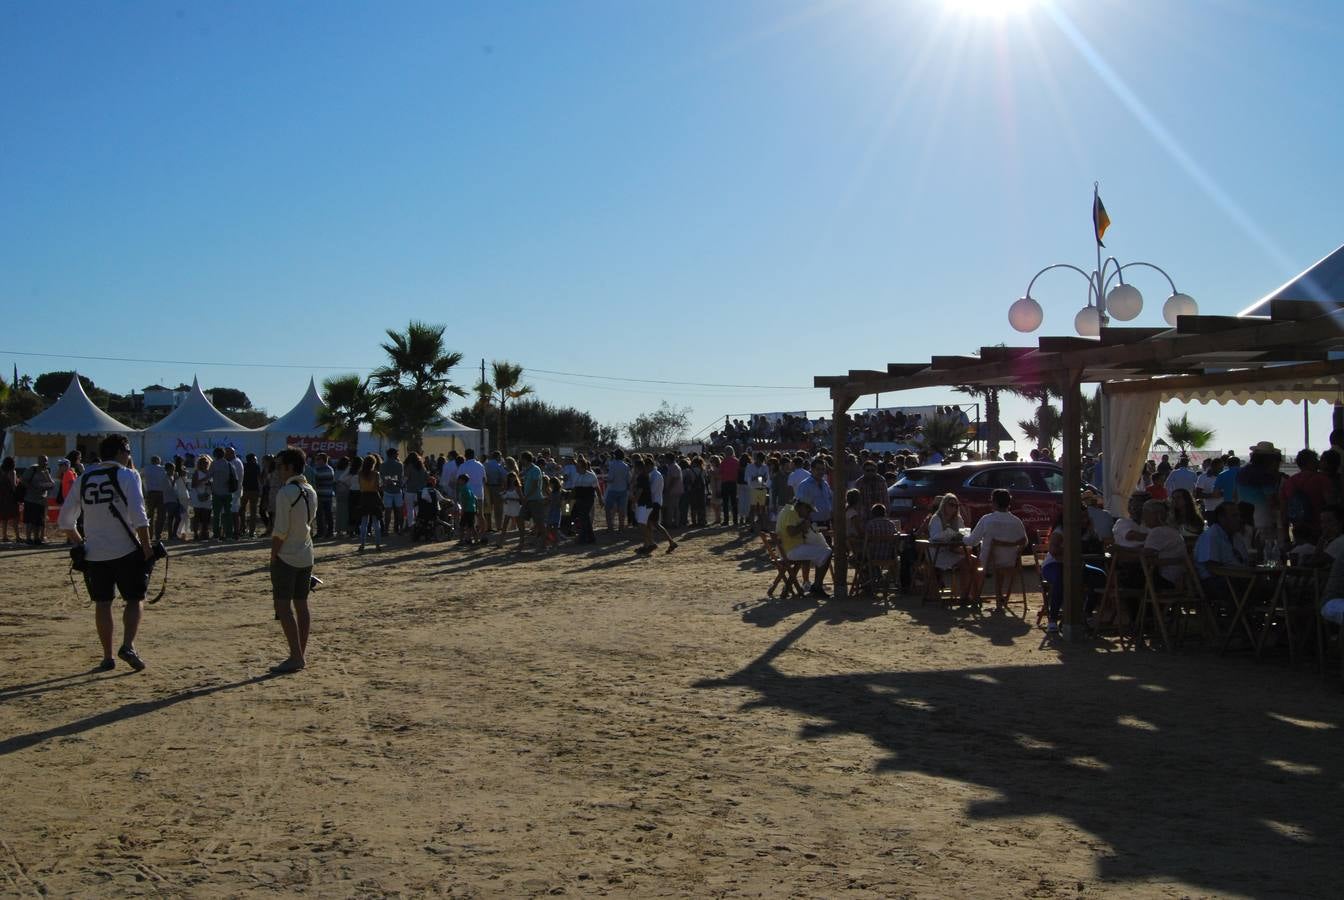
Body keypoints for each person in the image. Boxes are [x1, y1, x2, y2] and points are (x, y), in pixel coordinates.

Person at [57, 434, 155, 671]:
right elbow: (139, 516)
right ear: (122, 452)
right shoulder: (128, 475)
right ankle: (128, 645)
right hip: (126, 550)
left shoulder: (85, 477)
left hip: (94, 552)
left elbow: (65, 521)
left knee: (103, 603)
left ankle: (107, 656)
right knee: (134, 599)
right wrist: (147, 548)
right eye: (129, 451)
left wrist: (80, 543)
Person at [268, 447, 318, 674]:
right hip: (306, 552)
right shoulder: (310, 490)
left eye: (280, 466)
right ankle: (300, 653)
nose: (278, 471)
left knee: (282, 605)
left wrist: (273, 555)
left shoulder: (285, 492)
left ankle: (296, 656)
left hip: (287, 555)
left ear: (289, 467)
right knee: (301, 604)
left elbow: (280, 530)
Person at [963, 488, 1028, 607]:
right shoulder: (1017, 521)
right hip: (1010, 562)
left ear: (994, 503)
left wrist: (961, 537)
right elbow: (1025, 541)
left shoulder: (987, 519)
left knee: (969, 560)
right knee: (999, 563)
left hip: (988, 562)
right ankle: (999, 596)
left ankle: (973, 596)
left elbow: (972, 541)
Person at [1193, 502, 1249, 615]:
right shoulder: (1211, 536)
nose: (1239, 519)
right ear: (1222, 518)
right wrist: (1239, 574)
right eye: (1234, 516)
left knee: (1275, 585)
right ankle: (1239, 623)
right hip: (1214, 581)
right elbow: (1212, 567)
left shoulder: (1236, 536)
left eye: (1238, 515)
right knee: (1244, 587)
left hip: (1237, 577)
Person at [776, 496, 832, 600]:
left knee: (822, 551)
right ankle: (817, 586)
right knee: (827, 552)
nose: (809, 513)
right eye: (808, 510)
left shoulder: (789, 510)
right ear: (802, 506)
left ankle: (815, 585)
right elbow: (791, 532)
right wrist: (803, 526)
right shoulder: (791, 512)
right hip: (791, 550)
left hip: (788, 548)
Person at [927, 493, 975, 600]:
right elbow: (935, 537)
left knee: (975, 561)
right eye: (951, 505)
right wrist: (950, 533)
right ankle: (965, 596)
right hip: (939, 552)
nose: (954, 508)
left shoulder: (958, 519)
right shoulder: (936, 518)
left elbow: (963, 534)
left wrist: (962, 537)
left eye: (956, 505)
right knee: (966, 563)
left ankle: (972, 594)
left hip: (954, 550)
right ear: (944, 505)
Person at [1280, 448, 1332, 546]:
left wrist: (1286, 536)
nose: (1318, 461)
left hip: (1298, 529)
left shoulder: (1289, 482)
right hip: (1319, 529)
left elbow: (1284, 511)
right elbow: (1331, 505)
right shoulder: (1322, 480)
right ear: (1311, 462)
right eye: (1316, 459)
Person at [1237, 441, 1283, 536]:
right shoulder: (1266, 476)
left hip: (1243, 520)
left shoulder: (1242, 472)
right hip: (1263, 521)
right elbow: (1272, 500)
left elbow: (1235, 495)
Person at [633, 455, 677, 555]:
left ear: (649, 466)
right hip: (653, 502)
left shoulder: (656, 475)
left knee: (654, 524)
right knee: (649, 524)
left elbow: (652, 491)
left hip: (655, 502)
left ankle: (666, 542)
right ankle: (649, 544)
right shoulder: (653, 474)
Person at [1141, 499, 1187, 588]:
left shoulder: (1158, 531)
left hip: (1167, 579)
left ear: (1156, 515)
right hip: (1180, 576)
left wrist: (1121, 549)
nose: (1143, 517)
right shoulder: (1172, 530)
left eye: (1146, 513)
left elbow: (1145, 554)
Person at [21, 456, 55, 545]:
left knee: (39, 521)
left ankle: (37, 539)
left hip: (41, 500)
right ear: (39, 461)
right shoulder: (32, 470)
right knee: (30, 521)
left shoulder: (46, 471)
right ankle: (28, 539)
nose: (45, 463)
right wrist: (32, 488)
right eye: (43, 461)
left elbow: (52, 485)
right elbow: (23, 481)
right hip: (30, 499)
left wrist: (47, 475)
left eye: (46, 461)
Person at [520, 451, 547, 551]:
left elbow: (535, 486)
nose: (521, 461)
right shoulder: (527, 469)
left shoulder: (535, 469)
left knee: (539, 522)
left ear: (525, 459)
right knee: (520, 518)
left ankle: (543, 544)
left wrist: (526, 497)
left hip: (535, 499)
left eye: (522, 459)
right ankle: (522, 542)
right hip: (528, 499)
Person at [571, 455, 601, 544]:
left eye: (577, 466)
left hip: (588, 499)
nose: (576, 468)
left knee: (584, 517)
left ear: (583, 467)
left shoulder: (591, 476)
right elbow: (574, 489)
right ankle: (591, 538)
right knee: (584, 517)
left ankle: (583, 538)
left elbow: (597, 488)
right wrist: (570, 499)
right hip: (579, 498)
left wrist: (600, 499)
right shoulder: (576, 475)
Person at [358, 453, 384, 551]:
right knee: (376, 522)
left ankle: (362, 544)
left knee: (364, 523)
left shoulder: (360, 473)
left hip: (364, 497)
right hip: (374, 497)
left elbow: (360, 487)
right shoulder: (376, 474)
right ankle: (377, 544)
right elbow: (378, 487)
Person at [209, 447, 236, 540]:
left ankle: (216, 534)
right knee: (228, 515)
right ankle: (228, 534)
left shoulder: (214, 464)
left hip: (217, 492)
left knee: (216, 515)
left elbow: (209, 476)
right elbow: (235, 477)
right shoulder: (229, 464)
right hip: (227, 492)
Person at [142, 455, 169, 540]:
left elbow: (140, 477)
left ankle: (149, 534)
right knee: (161, 515)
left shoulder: (146, 468)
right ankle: (158, 534)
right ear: (159, 461)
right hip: (161, 493)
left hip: (150, 493)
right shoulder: (163, 469)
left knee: (150, 514)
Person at [310, 452, 336, 539]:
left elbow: (316, 481)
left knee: (321, 514)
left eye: (318, 459)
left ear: (323, 460)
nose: (316, 461)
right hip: (328, 494)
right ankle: (329, 532)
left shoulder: (318, 470)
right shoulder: (330, 469)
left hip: (321, 494)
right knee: (327, 514)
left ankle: (322, 532)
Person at [497, 471, 525, 550]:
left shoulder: (517, 487)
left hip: (516, 507)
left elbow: (522, 499)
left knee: (520, 526)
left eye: (513, 477)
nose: (511, 479)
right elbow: (502, 495)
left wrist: (510, 498)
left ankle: (521, 542)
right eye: (510, 477)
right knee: (504, 525)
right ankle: (500, 542)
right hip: (508, 507)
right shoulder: (507, 487)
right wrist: (503, 498)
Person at [381, 448, 405, 536]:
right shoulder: (399, 465)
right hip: (397, 490)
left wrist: (389, 480)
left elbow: (383, 477)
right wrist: (394, 481)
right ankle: (401, 529)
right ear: (394, 454)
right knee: (399, 511)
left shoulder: (383, 465)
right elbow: (400, 477)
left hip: (387, 490)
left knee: (387, 511)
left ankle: (386, 530)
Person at [190, 456, 214, 540]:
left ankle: (204, 533)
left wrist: (210, 485)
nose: (205, 464)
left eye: (207, 463)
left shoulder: (210, 473)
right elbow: (193, 484)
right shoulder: (197, 472)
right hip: (198, 496)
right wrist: (204, 480)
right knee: (197, 515)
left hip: (207, 496)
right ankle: (196, 533)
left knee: (206, 516)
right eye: (203, 463)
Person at [241, 451, 263, 537]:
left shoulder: (244, 466)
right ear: (253, 459)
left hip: (244, 490)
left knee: (242, 510)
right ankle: (251, 531)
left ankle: (242, 528)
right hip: (254, 491)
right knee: (253, 512)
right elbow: (260, 479)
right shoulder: (256, 467)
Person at [485, 450, 507, 533]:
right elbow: (504, 476)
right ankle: (498, 526)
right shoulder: (498, 465)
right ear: (498, 456)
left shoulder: (486, 464)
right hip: (497, 487)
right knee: (498, 509)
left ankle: (488, 526)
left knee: (488, 508)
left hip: (487, 487)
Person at [225, 447, 245, 538]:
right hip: (236, 490)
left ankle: (236, 531)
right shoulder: (236, 461)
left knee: (234, 512)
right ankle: (235, 531)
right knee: (234, 512)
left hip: (234, 491)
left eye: (227, 453)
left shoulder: (235, 463)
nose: (225, 455)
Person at [456, 473, 481, 545]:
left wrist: (462, 510)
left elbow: (464, 501)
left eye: (459, 480)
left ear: (463, 480)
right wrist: (475, 508)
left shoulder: (463, 488)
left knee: (463, 526)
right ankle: (473, 540)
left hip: (467, 509)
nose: (458, 481)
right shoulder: (468, 487)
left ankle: (462, 541)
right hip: (471, 509)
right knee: (470, 525)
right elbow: (475, 498)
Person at [717, 450, 740, 526]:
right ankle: (735, 520)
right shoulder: (737, 461)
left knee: (725, 503)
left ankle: (726, 520)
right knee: (734, 503)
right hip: (734, 483)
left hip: (725, 483)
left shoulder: (723, 461)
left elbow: (720, 472)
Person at [0, 457, 19, 543]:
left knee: (4, 518)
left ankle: (4, 536)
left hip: (2, 497)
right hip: (11, 497)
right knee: (15, 517)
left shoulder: (1, 471)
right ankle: (17, 536)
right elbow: (13, 486)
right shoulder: (12, 472)